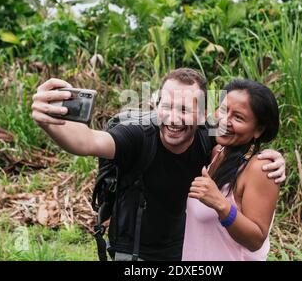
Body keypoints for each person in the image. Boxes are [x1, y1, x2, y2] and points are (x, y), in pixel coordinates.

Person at [31, 68, 286, 261]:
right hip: (134, 251)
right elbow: (87, 141)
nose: (174, 118)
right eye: (167, 106)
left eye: (185, 109)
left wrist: (272, 156)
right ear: (156, 105)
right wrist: (48, 121)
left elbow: (245, 150)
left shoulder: (209, 139)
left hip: (181, 251)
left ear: (200, 115)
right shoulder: (139, 135)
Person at [183, 79, 280, 261]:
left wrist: (222, 205)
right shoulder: (216, 153)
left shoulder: (260, 169)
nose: (224, 121)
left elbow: (255, 240)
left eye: (238, 117)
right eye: (223, 109)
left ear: (258, 130)